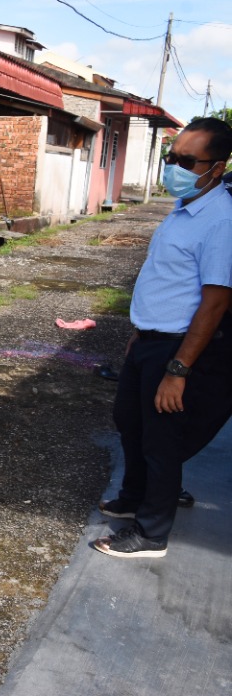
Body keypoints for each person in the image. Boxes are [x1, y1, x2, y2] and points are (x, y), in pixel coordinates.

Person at [93, 117, 232, 558]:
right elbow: (167, 281)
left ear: (218, 166)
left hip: (178, 348)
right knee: (129, 422)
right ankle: (136, 495)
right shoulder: (183, 209)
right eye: (171, 157)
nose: (174, 167)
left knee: (161, 440)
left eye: (187, 161)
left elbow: (214, 302)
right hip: (150, 340)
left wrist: (179, 369)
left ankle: (151, 533)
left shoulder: (221, 221)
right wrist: (139, 334)